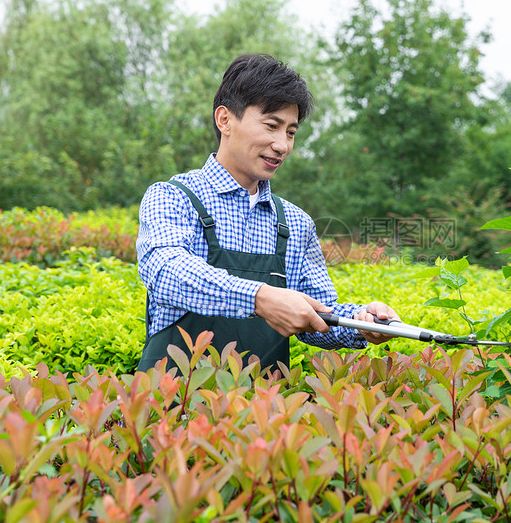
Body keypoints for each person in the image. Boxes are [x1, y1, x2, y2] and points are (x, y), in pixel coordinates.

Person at [135, 53, 398, 373]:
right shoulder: (173, 198)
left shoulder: (296, 223)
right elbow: (166, 273)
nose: (282, 145)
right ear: (225, 120)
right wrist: (260, 298)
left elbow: (318, 316)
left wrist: (360, 322)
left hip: (263, 415)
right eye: (272, 125)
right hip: (176, 409)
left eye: (290, 132)